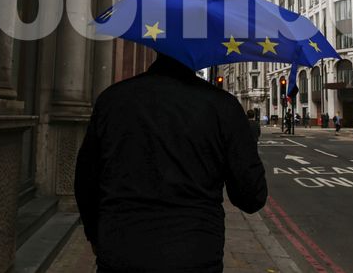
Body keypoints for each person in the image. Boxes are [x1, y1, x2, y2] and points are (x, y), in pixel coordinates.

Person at [75, 54, 267, 272]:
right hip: (194, 255)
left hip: (121, 251)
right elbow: (251, 197)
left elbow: (85, 180)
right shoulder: (223, 106)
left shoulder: (112, 99)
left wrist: (94, 235)